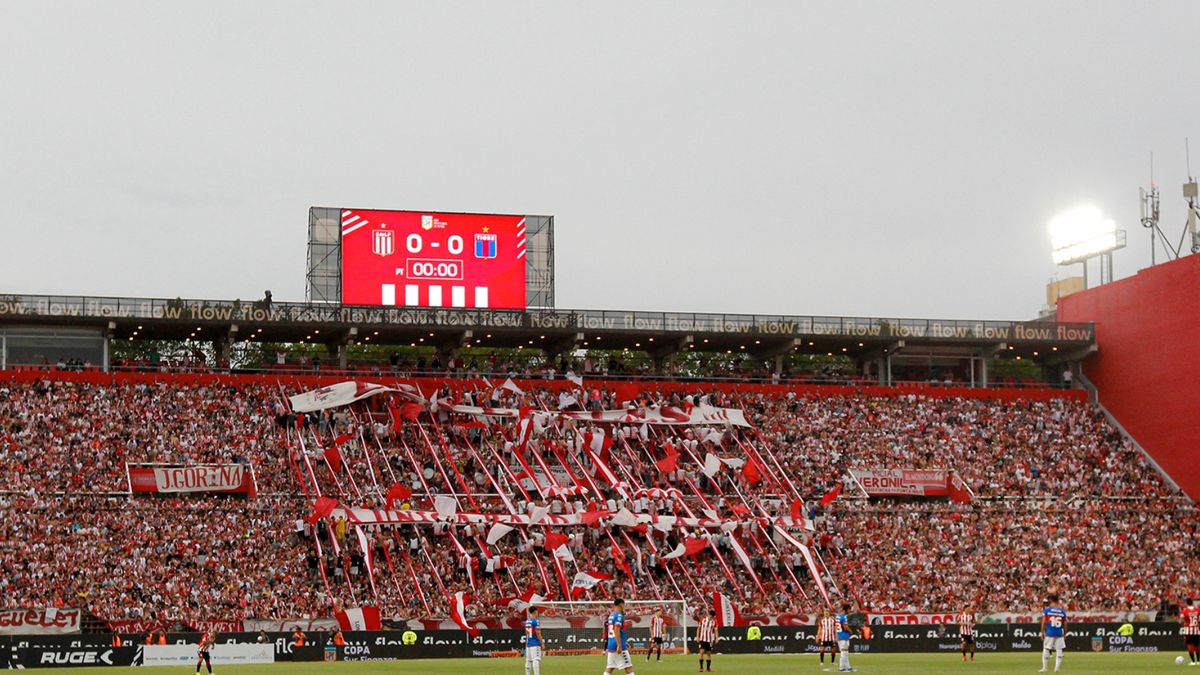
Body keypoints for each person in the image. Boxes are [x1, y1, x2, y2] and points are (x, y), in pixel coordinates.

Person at [604, 597, 635, 675]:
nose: (624, 607)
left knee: (610, 667)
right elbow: (616, 630)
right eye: (624, 605)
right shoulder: (619, 616)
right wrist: (619, 645)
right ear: (621, 604)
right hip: (618, 645)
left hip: (611, 644)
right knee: (628, 667)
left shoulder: (611, 615)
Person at [1040, 593, 1067, 673]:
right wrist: (1064, 633)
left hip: (1049, 632)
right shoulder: (1062, 611)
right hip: (1059, 633)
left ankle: (1045, 668)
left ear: (1051, 600)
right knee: (1059, 650)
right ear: (1058, 600)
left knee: (1046, 649)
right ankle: (1057, 668)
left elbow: (1044, 622)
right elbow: (1065, 624)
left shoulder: (1047, 610)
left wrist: (1042, 632)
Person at [835, 603, 856, 673]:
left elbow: (835, 627)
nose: (850, 611)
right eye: (849, 610)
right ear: (847, 610)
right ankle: (841, 667)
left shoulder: (838, 617)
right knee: (844, 652)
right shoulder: (844, 617)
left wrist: (836, 636)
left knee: (845, 652)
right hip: (843, 636)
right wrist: (851, 631)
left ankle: (848, 666)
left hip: (840, 635)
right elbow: (845, 627)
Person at [524, 605, 543, 675]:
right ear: (535, 612)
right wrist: (542, 642)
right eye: (537, 611)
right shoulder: (536, 621)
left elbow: (526, 633)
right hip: (535, 643)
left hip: (528, 643)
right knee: (536, 659)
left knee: (528, 661)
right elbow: (538, 632)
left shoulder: (527, 621)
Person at [1181, 597, 1199, 665]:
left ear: (1186, 603)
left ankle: (1193, 661)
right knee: (1197, 645)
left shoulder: (1185, 611)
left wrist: (1181, 622)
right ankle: (1199, 661)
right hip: (1196, 630)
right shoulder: (1198, 610)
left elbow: (1182, 620)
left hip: (1189, 630)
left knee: (1190, 645)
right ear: (1192, 602)